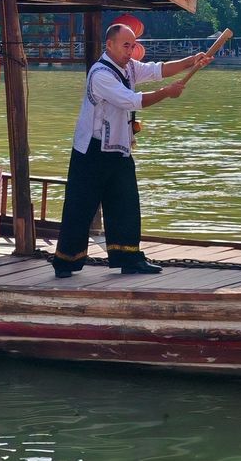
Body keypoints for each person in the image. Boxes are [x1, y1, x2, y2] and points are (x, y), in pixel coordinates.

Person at [52, 23, 211, 278]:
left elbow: (157, 70)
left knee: (125, 202)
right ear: (110, 45)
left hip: (118, 147)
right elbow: (132, 100)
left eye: (133, 45)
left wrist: (192, 61)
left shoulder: (127, 67)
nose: (130, 50)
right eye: (126, 45)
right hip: (91, 152)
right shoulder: (100, 74)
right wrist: (166, 93)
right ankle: (65, 261)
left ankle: (128, 257)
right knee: (80, 207)